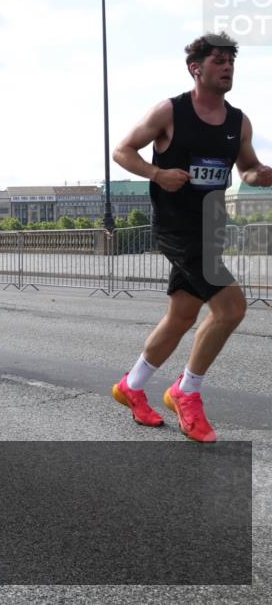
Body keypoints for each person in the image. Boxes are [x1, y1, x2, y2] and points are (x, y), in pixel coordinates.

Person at [110, 32, 272, 443]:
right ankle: (187, 392)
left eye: (231, 61)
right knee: (231, 308)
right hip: (178, 228)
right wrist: (157, 174)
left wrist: (259, 175)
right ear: (195, 68)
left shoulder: (239, 121)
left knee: (182, 316)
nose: (227, 66)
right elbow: (123, 150)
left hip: (212, 227)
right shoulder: (171, 112)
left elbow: (247, 168)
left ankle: (131, 385)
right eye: (218, 60)